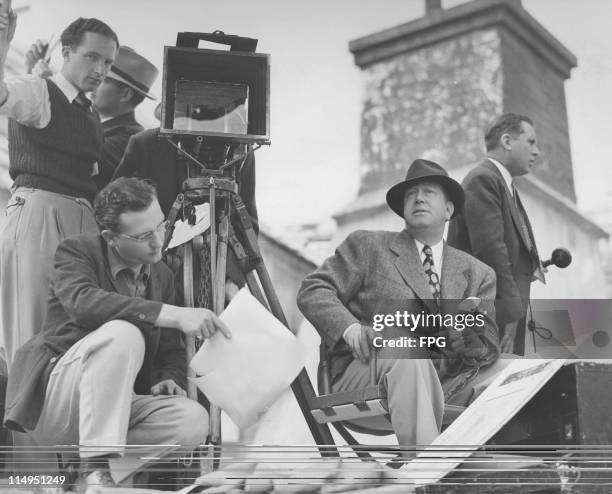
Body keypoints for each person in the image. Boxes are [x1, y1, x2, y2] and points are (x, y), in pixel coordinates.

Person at [3, 178, 230, 488]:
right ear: (111, 238)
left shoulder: (161, 275)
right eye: (143, 235)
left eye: (161, 226)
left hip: (113, 408)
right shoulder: (77, 251)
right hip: (57, 400)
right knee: (124, 333)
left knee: (192, 421)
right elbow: (84, 303)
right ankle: (94, 467)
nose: (158, 241)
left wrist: (169, 376)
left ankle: (85, 476)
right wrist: (174, 315)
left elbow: (169, 349)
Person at [297, 159, 502, 455]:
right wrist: (349, 328)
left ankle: (518, 470)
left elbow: (487, 345)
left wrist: (468, 338)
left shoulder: (479, 273)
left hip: (448, 380)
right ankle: (427, 476)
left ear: (449, 210)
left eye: (429, 192)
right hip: (367, 370)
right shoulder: (368, 247)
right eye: (411, 194)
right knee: (406, 347)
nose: (418, 198)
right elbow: (313, 289)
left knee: (517, 369)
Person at [0, 15, 119, 368]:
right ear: (67, 53)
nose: (100, 69)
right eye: (92, 57)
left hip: (80, 225)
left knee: (67, 343)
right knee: (31, 337)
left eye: (108, 62)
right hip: (40, 216)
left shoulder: (89, 112)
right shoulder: (38, 91)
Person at [447, 113, 544, 355]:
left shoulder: (500, 182)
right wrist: (510, 316)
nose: (537, 152)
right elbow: (491, 253)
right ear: (507, 141)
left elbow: (505, 247)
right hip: (491, 316)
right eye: (531, 142)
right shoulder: (484, 179)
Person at [25, 43, 158, 189]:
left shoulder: (130, 138)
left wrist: (50, 88)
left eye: (103, 79)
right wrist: (32, 77)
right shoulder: (91, 117)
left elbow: (76, 153)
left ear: (125, 94)